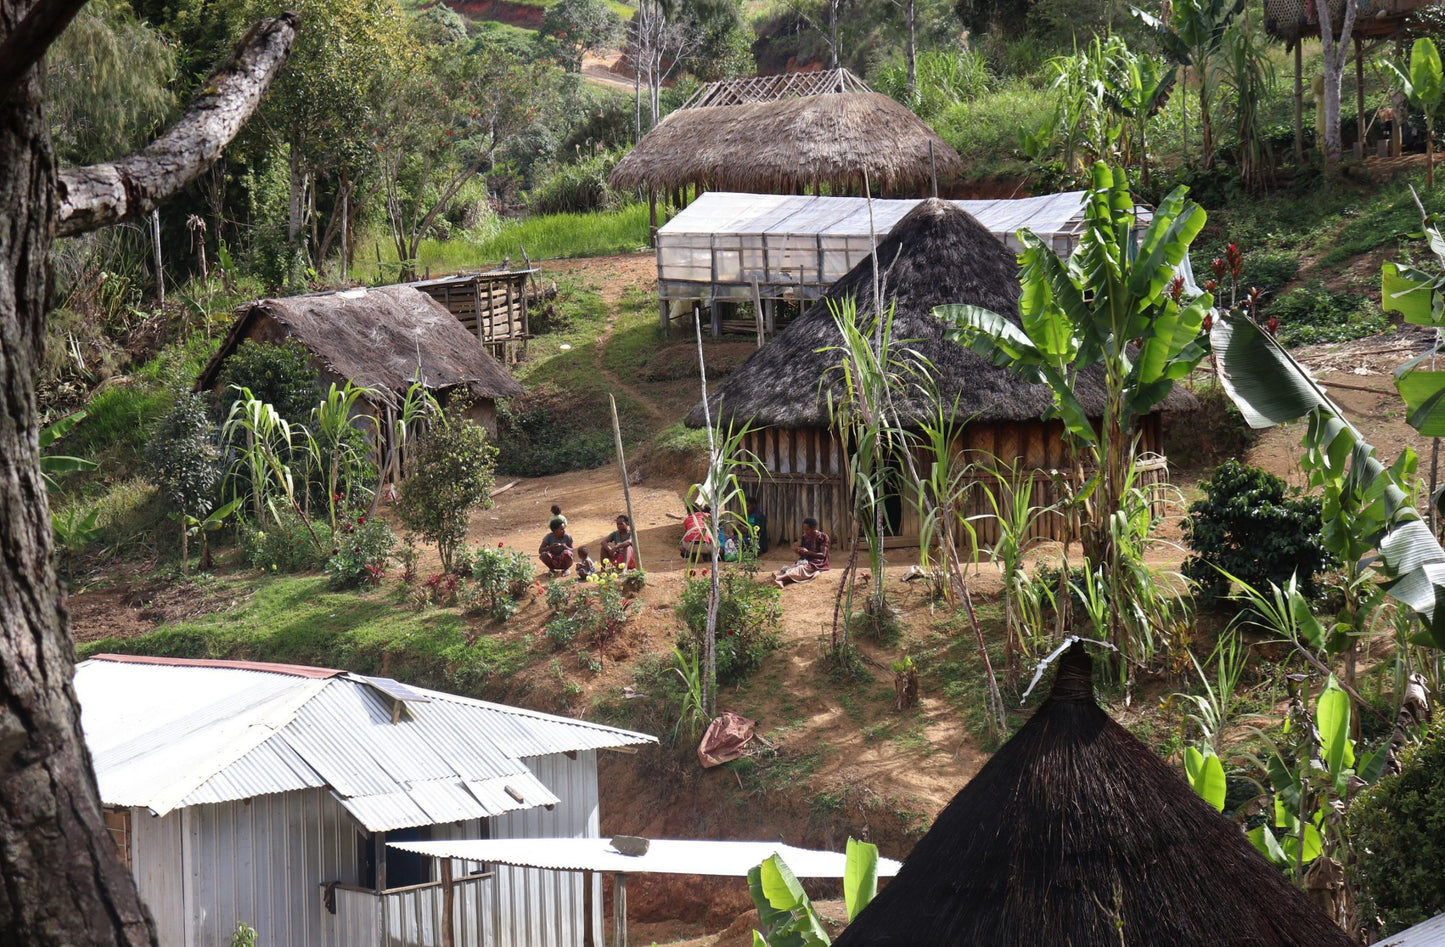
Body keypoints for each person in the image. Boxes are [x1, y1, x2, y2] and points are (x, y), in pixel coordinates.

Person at [774, 517, 829, 587]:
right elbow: (804, 555)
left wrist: (808, 552)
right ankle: (782, 582)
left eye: (807, 530)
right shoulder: (805, 537)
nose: (805, 532)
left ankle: (779, 578)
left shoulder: (822, 536)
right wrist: (799, 551)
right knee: (794, 567)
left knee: (801, 569)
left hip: (818, 563)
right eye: (804, 530)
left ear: (814, 528)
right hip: (806, 561)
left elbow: (823, 555)